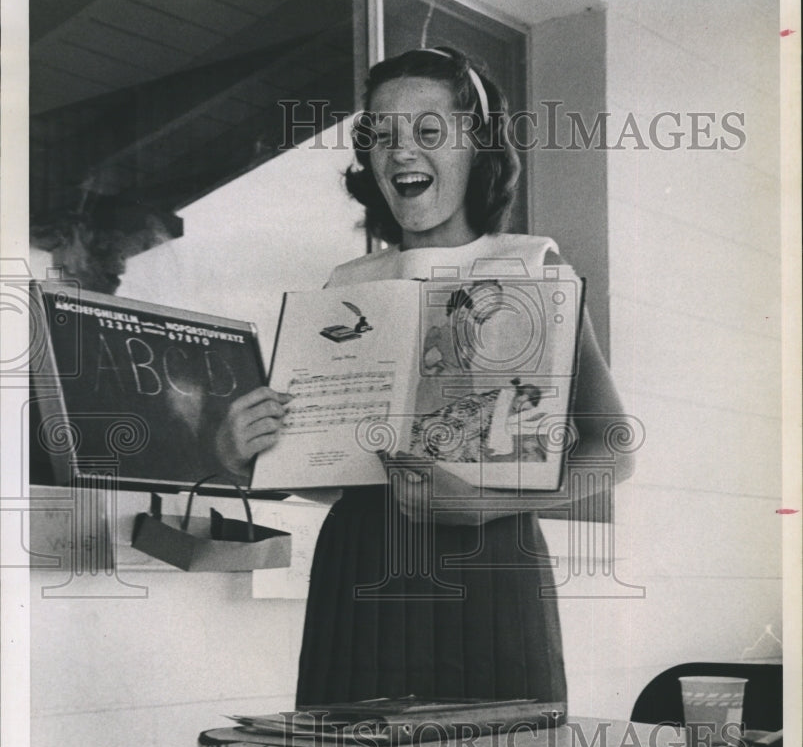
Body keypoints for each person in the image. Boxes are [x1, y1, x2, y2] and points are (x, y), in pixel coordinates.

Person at [215, 46, 633, 708]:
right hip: (358, 570)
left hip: (488, 565)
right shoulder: (345, 289)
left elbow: (612, 447)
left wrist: (487, 504)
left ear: (478, 147)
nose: (401, 151)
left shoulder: (531, 268)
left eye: (428, 132)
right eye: (381, 135)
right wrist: (248, 461)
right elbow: (344, 479)